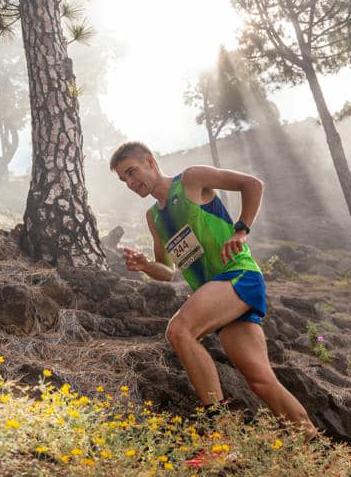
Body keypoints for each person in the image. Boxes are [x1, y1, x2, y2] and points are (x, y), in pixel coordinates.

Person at [110, 141, 315, 454]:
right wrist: (145, 266)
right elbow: (167, 271)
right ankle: (317, 449)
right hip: (220, 295)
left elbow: (252, 184)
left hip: (238, 276)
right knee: (260, 380)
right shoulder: (155, 218)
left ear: (150, 162)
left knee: (180, 331)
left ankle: (219, 436)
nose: (129, 182)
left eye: (131, 171)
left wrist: (241, 231)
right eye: (123, 179)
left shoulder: (191, 179)